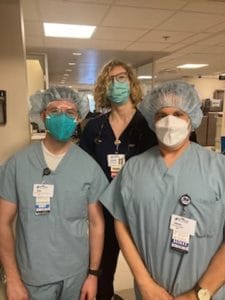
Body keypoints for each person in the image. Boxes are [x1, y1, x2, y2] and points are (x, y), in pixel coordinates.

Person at [99, 80, 225, 300]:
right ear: (151, 120)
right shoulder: (133, 168)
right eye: (161, 115)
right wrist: (144, 282)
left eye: (178, 114)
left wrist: (199, 293)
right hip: (150, 293)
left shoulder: (218, 168)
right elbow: (121, 223)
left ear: (192, 119)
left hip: (208, 293)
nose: (169, 121)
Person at [0, 86, 108, 300]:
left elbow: (97, 224)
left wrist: (93, 275)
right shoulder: (18, 164)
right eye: (55, 110)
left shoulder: (88, 167)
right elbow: (2, 222)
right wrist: (12, 279)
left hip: (75, 275)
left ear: (78, 118)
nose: (62, 116)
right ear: (42, 116)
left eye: (70, 112)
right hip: (32, 275)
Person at [79, 59, 158, 300]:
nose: (116, 84)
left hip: (139, 212)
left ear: (132, 82)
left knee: (149, 274)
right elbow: (83, 171)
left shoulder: (149, 125)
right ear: (104, 87)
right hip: (103, 212)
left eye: (121, 77)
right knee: (101, 275)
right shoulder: (94, 128)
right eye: (110, 79)